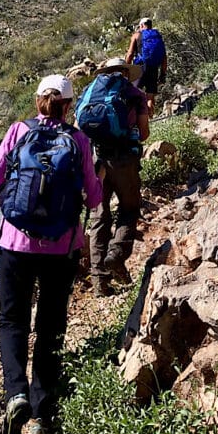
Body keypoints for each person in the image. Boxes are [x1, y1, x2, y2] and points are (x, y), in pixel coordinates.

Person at [0, 74, 102, 434]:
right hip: (61, 248)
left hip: (14, 244)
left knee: (13, 320)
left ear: (38, 102)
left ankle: (15, 395)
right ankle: (41, 417)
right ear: (69, 107)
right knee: (50, 327)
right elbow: (95, 199)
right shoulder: (79, 141)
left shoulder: (18, 131)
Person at [83, 58, 149, 297]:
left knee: (99, 216)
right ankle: (116, 253)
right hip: (124, 160)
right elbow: (144, 134)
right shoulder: (134, 93)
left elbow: (81, 129)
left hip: (96, 160)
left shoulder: (90, 91)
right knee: (129, 208)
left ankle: (100, 283)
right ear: (124, 72)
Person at [125, 17, 167, 115]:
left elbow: (130, 54)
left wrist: (125, 68)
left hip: (139, 68)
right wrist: (163, 74)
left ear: (142, 25)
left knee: (133, 94)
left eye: (140, 26)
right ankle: (150, 118)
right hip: (153, 68)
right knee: (150, 96)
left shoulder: (136, 35)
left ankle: (135, 120)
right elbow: (164, 57)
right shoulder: (157, 36)